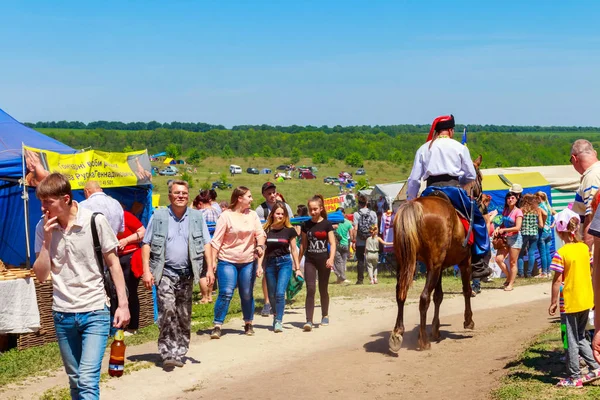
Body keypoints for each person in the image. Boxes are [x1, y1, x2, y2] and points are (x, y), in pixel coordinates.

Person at [32, 173, 130, 399]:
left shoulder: (94, 221)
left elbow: (114, 264)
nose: (43, 207)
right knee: (75, 380)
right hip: (62, 314)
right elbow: (40, 274)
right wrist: (47, 240)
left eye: (48, 202)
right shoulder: (42, 227)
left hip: (94, 310)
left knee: (86, 380)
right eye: (41, 201)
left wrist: (123, 305)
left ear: (65, 199)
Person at [406, 114, 491, 279]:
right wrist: (463, 181)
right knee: (478, 220)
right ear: (451, 131)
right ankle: (478, 261)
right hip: (453, 189)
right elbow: (470, 174)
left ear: (437, 131)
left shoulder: (424, 148)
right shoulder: (459, 147)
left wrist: (411, 200)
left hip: (429, 191)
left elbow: (414, 179)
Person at [141, 180, 212, 369]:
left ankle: (180, 350)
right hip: (165, 272)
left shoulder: (197, 217)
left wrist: (210, 269)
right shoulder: (159, 216)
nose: (180, 196)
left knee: (183, 314)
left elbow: (207, 244)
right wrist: (146, 271)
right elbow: (146, 243)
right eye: (176, 193)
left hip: (187, 274)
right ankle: (167, 351)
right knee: (168, 309)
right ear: (169, 196)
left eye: (184, 193)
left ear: (188, 196)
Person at [549, 209, 600, 387]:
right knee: (580, 336)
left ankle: (574, 376)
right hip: (586, 299)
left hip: (569, 302)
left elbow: (557, 281)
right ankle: (596, 366)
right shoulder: (585, 249)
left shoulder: (561, 254)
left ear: (560, 231)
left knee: (571, 340)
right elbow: (592, 270)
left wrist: (553, 302)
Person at [208, 186, 266, 339]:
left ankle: (248, 322)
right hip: (227, 260)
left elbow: (260, 234)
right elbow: (216, 240)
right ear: (240, 198)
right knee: (226, 292)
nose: (252, 199)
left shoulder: (253, 215)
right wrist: (213, 262)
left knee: (246, 293)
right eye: (249, 196)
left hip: (247, 260)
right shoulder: (226, 216)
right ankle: (217, 325)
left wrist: (260, 246)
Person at [260, 201, 302, 332]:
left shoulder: (290, 230)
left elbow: (294, 250)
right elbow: (262, 248)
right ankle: (275, 315)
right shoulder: (266, 230)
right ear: (272, 214)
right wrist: (259, 265)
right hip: (270, 263)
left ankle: (278, 320)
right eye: (277, 213)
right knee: (271, 294)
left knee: (279, 293)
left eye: (282, 214)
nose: (280, 216)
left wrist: (297, 268)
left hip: (285, 263)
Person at [255, 182, 294, 317]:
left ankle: (279, 303)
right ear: (264, 194)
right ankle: (267, 302)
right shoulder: (260, 209)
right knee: (267, 274)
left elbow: (292, 224)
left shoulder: (285, 206)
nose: (272, 195)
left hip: (283, 245)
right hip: (268, 245)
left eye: (274, 192)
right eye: (269, 193)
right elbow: (259, 229)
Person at [299, 194, 336, 331]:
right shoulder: (306, 225)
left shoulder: (327, 224)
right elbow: (303, 245)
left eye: (315, 209)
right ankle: (309, 320)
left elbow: (332, 243)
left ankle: (325, 315)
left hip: (324, 260)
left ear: (321, 209)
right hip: (310, 260)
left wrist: (331, 258)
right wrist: (297, 263)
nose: (313, 212)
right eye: (310, 209)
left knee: (322, 289)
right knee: (311, 289)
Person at [116, 210, 146, 334]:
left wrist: (126, 241)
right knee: (114, 292)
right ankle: (117, 325)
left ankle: (133, 326)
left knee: (130, 291)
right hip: (113, 259)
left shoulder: (125, 215)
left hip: (129, 257)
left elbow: (142, 232)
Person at [570, 139, 600, 249]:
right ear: (595, 153)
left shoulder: (592, 177)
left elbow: (592, 218)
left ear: (574, 158)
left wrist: (585, 253)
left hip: (594, 248)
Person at [192, 190, 220, 303]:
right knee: (211, 269)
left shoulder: (200, 214)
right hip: (215, 244)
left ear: (200, 203)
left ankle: (205, 297)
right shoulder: (217, 212)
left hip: (202, 244)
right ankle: (210, 295)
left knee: (202, 272)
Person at [494, 192, 523, 291]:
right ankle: (510, 277)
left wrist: (504, 230)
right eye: (508, 198)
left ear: (516, 200)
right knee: (498, 259)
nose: (510, 200)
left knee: (512, 263)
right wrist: (498, 228)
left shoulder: (518, 211)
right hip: (505, 239)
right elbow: (503, 223)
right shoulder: (505, 210)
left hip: (515, 239)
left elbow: (518, 227)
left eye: (512, 198)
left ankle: (510, 284)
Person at [352, 195, 377, 285]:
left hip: (360, 240)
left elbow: (355, 228)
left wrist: (354, 241)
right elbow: (375, 228)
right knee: (373, 260)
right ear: (367, 202)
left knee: (360, 260)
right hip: (371, 240)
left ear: (359, 203)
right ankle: (374, 278)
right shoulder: (373, 213)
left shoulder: (356, 214)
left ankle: (360, 280)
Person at [517, 194, 543, 278]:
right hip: (534, 233)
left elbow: (518, 224)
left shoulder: (521, 210)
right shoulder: (537, 210)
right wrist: (535, 225)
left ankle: (520, 273)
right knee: (531, 253)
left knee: (520, 253)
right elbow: (541, 225)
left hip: (524, 233)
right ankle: (529, 273)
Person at [536, 191, 555, 278]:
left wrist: (537, 224)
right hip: (549, 232)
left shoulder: (540, 207)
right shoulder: (548, 206)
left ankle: (544, 272)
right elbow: (557, 215)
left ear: (539, 198)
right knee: (547, 253)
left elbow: (541, 221)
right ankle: (548, 271)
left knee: (543, 253)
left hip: (542, 231)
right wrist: (553, 224)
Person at [333, 207, 353, 284]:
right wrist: (352, 243)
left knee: (337, 262)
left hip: (336, 244)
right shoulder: (348, 223)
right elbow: (351, 235)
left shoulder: (334, 222)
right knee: (343, 262)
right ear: (344, 213)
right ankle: (341, 277)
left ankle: (341, 277)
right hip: (345, 243)